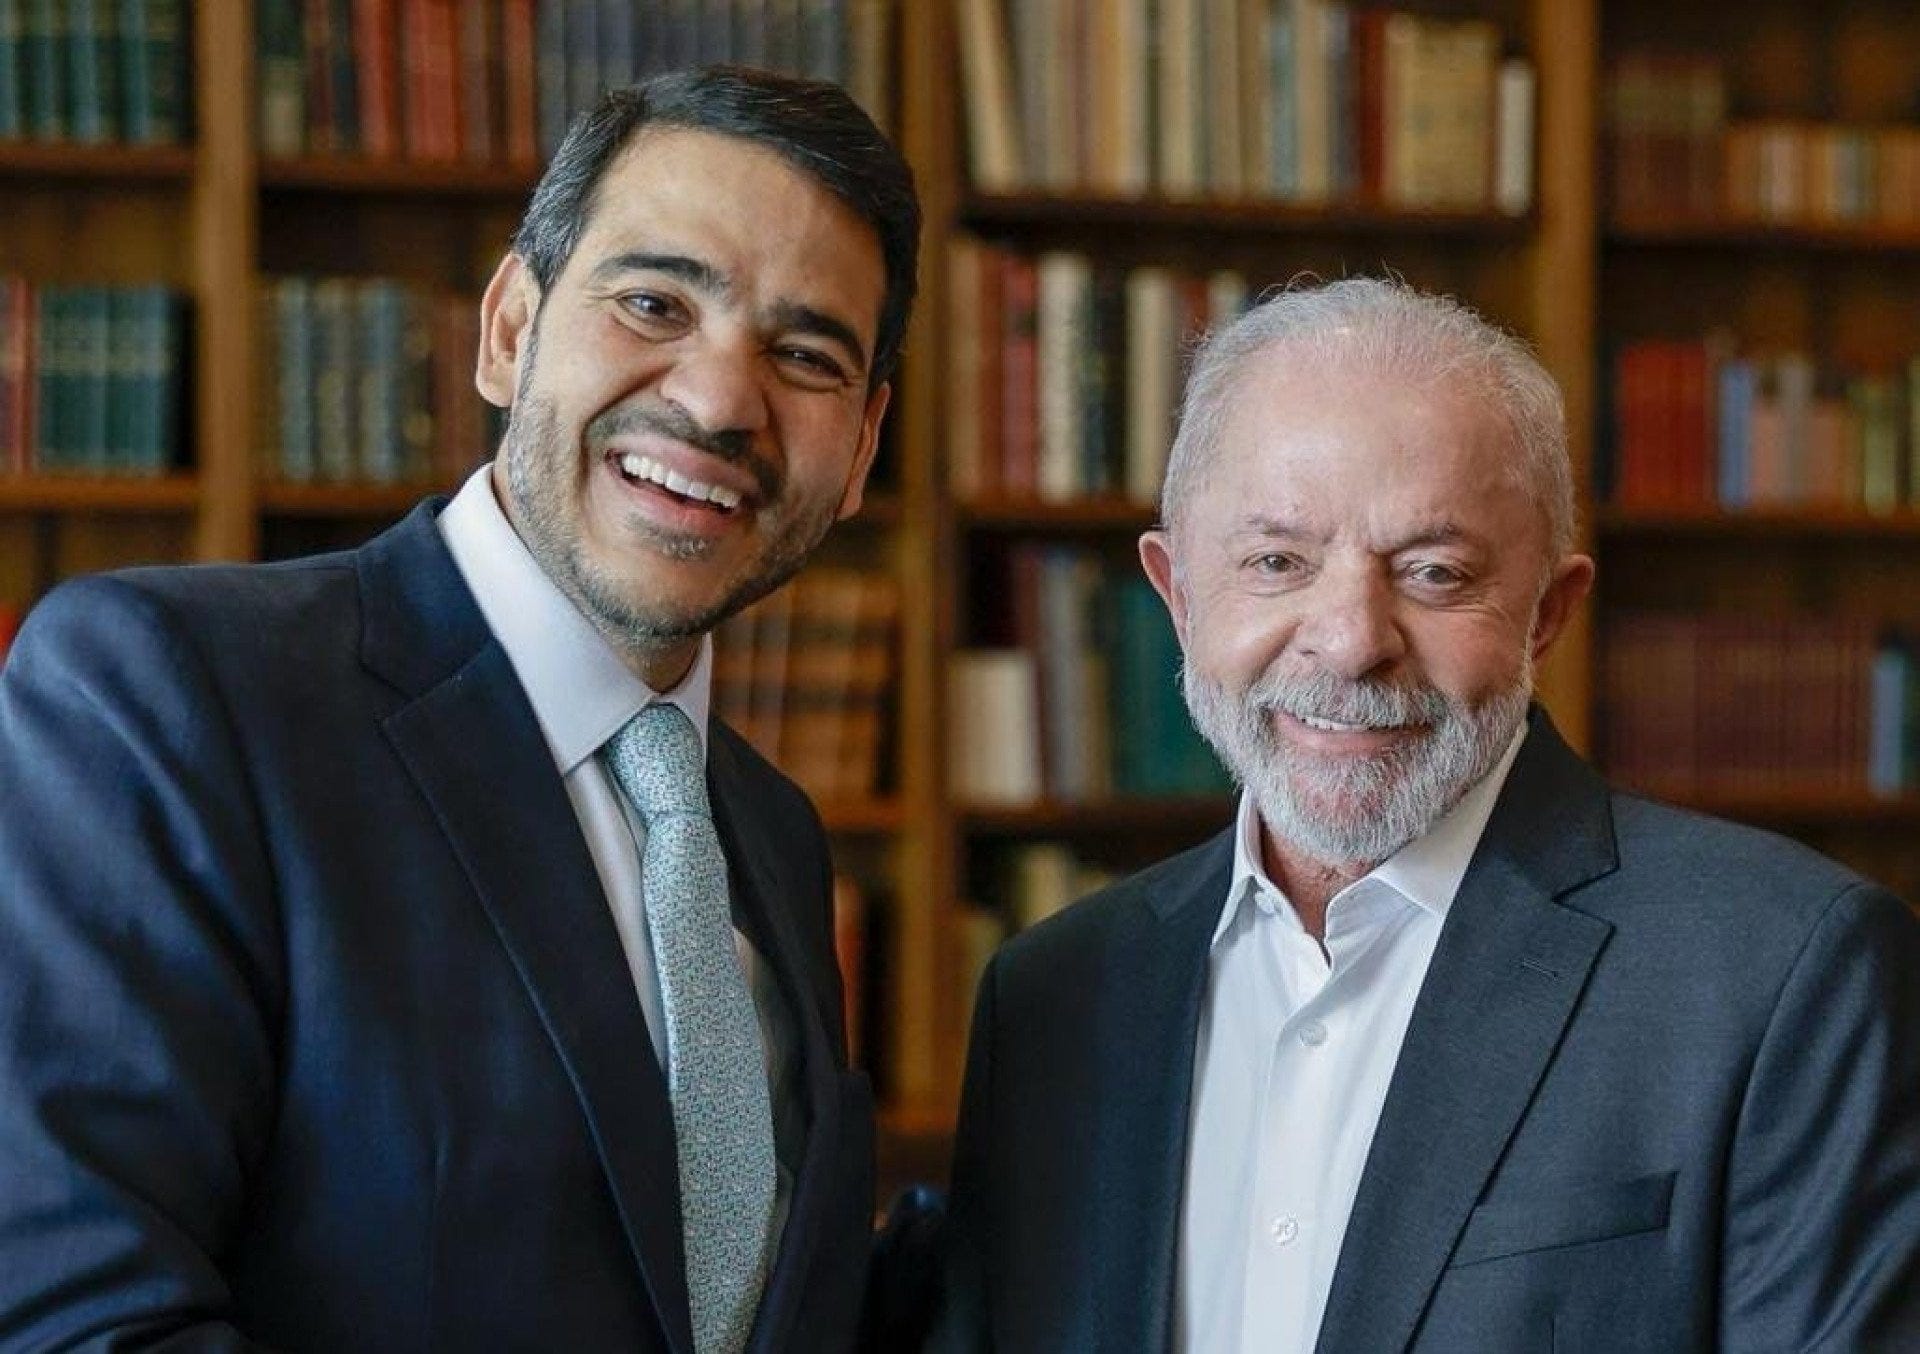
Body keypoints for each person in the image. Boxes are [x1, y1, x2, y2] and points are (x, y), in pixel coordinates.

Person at [0, 65, 918, 1354]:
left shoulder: (772, 834)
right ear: (507, 328)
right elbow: (76, 1320)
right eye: (654, 302)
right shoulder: (166, 698)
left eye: (806, 355)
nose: (719, 402)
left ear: (862, 448)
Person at [933, 278, 1920, 1352]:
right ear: (1177, 594)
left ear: (1548, 613)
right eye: (1277, 562)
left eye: (1435, 573)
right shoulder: (1052, 998)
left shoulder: (1784, 976)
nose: (1353, 641)